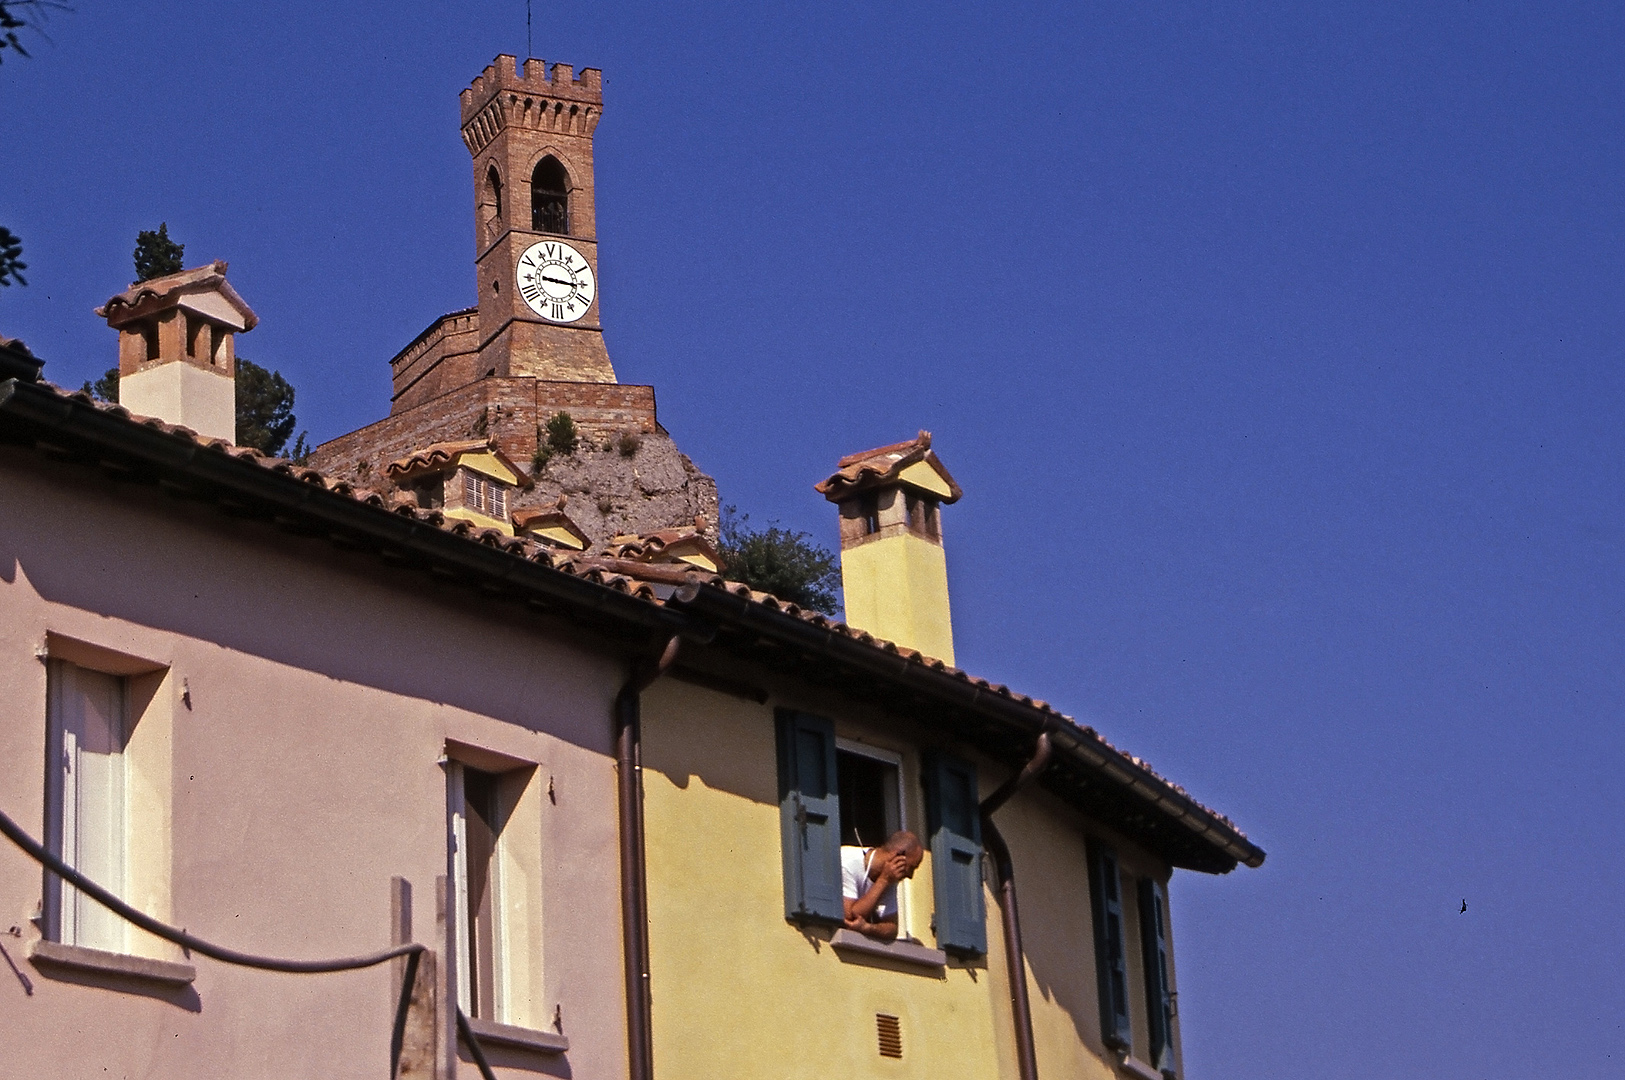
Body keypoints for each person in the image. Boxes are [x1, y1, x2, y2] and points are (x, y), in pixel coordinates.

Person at [841, 830, 924, 942]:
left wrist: (868, 928)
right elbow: (851, 917)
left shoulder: (889, 877)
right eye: (911, 868)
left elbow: (892, 929)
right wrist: (883, 881)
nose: (910, 876)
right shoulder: (847, 862)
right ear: (897, 857)